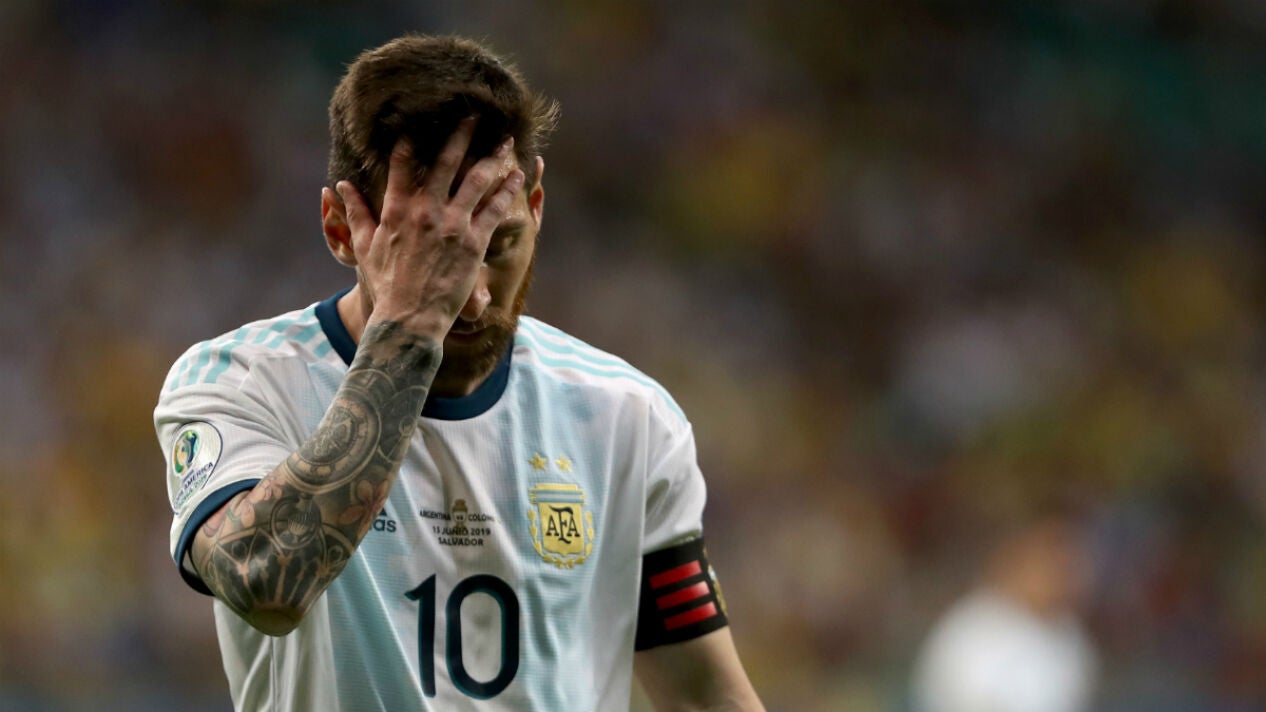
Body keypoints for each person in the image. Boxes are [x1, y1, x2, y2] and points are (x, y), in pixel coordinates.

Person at [154, 34, 765, 712]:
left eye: (496, 245)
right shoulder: (241, 381)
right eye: (430, 255)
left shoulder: (626, 415)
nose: (470, 298)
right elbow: (264, 582)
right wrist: (410, 329)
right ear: (340, 229)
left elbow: (707, 697)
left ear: (537, 205)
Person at [910, 511, 1099, 712]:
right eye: (1051, 561)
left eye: (1069, 564)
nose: (1063, 575)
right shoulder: (972, 630)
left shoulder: (1071, 637)